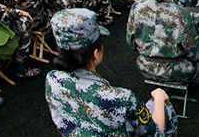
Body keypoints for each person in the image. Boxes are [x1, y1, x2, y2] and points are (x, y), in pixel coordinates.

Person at [46, 8, 177, 136]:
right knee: (162, 106)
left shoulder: (52, 79)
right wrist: (159, 98)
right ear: (96, 54)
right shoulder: (122, 98)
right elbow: (155, 133)